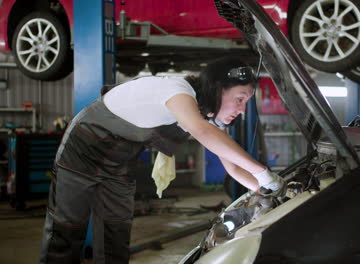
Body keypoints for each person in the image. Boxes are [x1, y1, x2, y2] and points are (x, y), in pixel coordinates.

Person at [39, 57, 284, 263]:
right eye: (240, 98)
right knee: (66, 232)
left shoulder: (207, 116)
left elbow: (233, 168)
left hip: (119, 166)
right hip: (82, 151)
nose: (242, 109)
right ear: (219, 87)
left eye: (246, 102)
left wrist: (267, 190)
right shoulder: (178, 92)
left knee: (115, 238)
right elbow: (201, 132)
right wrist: (263, 172)